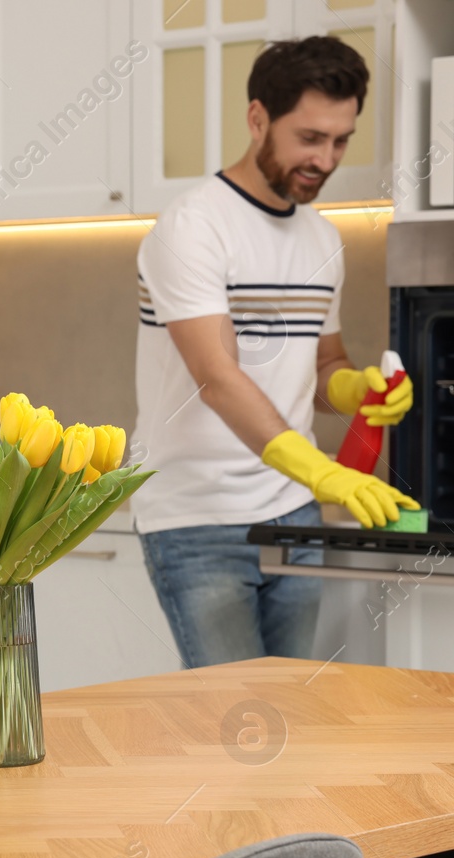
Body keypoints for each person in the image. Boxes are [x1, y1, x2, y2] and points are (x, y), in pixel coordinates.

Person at [132, 35, 418, 669]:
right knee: (236, 717)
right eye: (310, 137)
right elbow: (217, 376)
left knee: (286, 716)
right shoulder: (193, 227)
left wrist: (357, 389)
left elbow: (321, 369)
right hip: (197, 520)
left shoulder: (322, 237)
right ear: (257, 117)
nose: (326, 158)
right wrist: (321, 470)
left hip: (292, 516)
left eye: (341, 141)